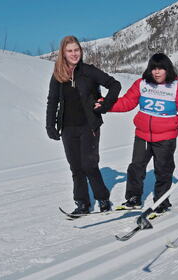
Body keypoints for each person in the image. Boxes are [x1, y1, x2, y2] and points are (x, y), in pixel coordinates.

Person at [102, 53, 178, 214]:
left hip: (166, 138)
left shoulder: (177, 87)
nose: (157, 72)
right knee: (136, 167)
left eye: (160, 68)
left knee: (163, 170)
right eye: (153, 68)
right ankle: (133, 198)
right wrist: (105, 105)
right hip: (142, 135)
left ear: (167, 69)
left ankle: (161, 201)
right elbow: (126, 102)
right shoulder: (142, 84)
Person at [46, 35, 121, 215]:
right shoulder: (58, 75)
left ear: (81, 51)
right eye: (70, 51)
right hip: (67, 128)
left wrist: (105, 104)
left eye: (76, 50)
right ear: (63, 53)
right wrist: (50, 125)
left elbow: (114, 85)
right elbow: (52, 100)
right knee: (76, 167)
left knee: (89, 165)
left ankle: (102, 199)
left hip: (89, 125)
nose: (74, 54)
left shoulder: (89, 71)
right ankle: (82, 204)